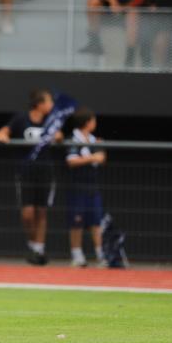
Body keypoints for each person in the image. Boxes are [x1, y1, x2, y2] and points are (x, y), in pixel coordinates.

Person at [0, 89, 61, 266]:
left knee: (41, 211)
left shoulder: (51, 120)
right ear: (39, 104)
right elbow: (2, 132)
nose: (51, 105)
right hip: (25, 171)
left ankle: (39, 249)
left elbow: (59, 135)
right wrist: (2, 136)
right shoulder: (21, 119)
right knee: (28, 213)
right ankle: (32, 243)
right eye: (49, 102)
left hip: (45, 170)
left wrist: (56, 136)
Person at [64, 108, 106, 268]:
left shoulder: (95, 140)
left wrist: (92, 157)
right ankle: (77, 255)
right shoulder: (74, 139)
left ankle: (101, 255)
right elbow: (72, 161)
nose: (95, 123)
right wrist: (92, 157)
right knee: (77, 222)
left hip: (92, 187)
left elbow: (102, 158)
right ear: (87, 122)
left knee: (96, 221)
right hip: (77, 187)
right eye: (93, 120)